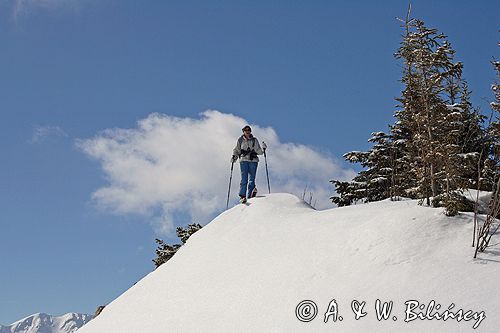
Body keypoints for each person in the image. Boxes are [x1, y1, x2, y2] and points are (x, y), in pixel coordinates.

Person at [231, 125, 267, 203]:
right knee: (244, 179)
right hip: (243, 160)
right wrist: (234, 157)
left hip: (253, 161)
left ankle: (250, 194)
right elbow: (237, 150)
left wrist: (263, 149)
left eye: (249, 130)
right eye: (246, 130)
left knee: (252, 178)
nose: (247, 132)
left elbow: (258, 151)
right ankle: (242, 196)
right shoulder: (240, 140)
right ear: (243, 131)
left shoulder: (254, 140)